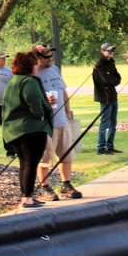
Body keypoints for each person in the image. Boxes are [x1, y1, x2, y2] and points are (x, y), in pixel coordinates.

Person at [2, 52, 53, 209]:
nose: (37, 66)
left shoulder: (14, 81)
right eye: (35, 64)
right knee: (31, 164)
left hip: (14, 131)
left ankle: (26, 196)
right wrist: (41, 115)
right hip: (31, 130)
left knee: (24, 164)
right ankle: (28, 199)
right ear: (30, 66)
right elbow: (34, 100)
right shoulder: (29, 81)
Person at [34, 44, 82, 200]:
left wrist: (68, 112)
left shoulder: (55, 69)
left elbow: (63, 91)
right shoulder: (33, 74)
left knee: (66, 155)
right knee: (45, 158)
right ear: (37, 58)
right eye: (46, 57)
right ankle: (45, 188)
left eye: (51, 56)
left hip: (62, 121)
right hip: (45, 124)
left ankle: (66, 185)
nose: (50, 59)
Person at [93, 42, 122, 155]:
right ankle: (101, 147)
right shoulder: (99, 65)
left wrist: (113, 81)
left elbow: (118, 78)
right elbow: (105, 80)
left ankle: (110, 146)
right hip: (104, 97)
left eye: (112, 51)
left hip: (113, 96)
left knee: (113, 123)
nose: (111, 53)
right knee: (104, 122)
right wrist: (112, 81)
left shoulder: (111, 64)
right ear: (102, 51)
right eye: (109, 51)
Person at [0, 49, 13, 155]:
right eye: (2, 58)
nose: (4, 60)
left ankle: (10, 151)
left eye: (5, 58)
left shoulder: (9, 71)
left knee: (7, 128)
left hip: (5, 105)